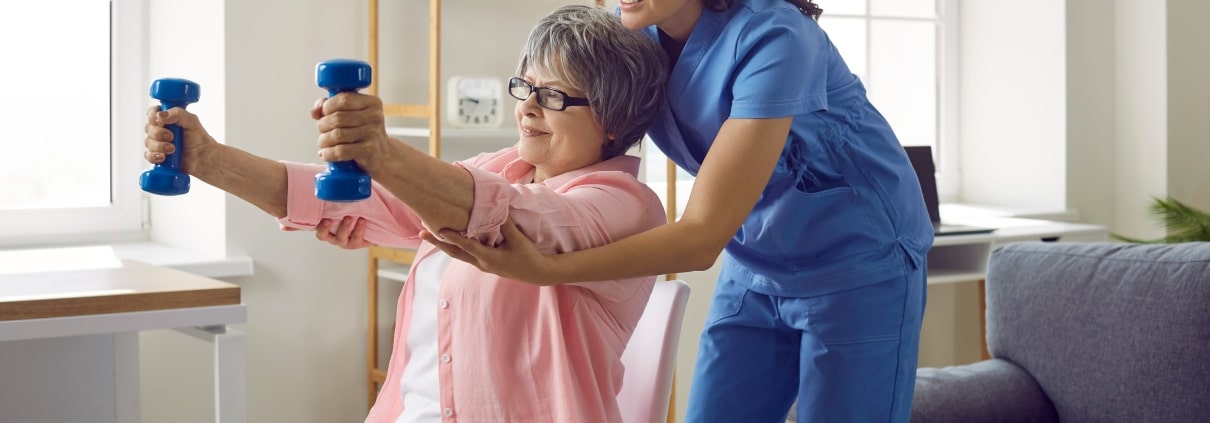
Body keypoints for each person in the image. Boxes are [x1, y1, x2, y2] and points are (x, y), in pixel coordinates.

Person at [328, 0, 935, 422]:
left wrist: (545, 270)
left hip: (861, 262)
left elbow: (697, 240)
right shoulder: (634, 44)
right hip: (757, 260)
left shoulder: (776, 38)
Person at [142, 5, 669, 422]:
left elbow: (516, 219)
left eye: (553, 95)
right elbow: (347, 196)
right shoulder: (499, 168)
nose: (528, 106)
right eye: (525, 87)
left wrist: (384, 153)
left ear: (612, 121)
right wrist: (208, 159)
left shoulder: (624, 205)